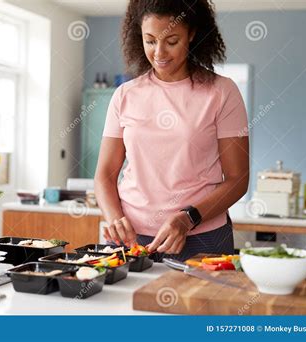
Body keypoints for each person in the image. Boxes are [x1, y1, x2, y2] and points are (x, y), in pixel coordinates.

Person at [94, 0, 250, 261]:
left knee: (203, 303)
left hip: (202, 237)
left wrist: (188, 218)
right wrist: (115, 219)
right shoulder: (125, 95)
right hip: (131, 239)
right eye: (150, 40)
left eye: (172, 41)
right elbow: (104, 177)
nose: (159, 53)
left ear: (191, 34)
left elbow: (238, 179)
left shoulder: (222, 92)